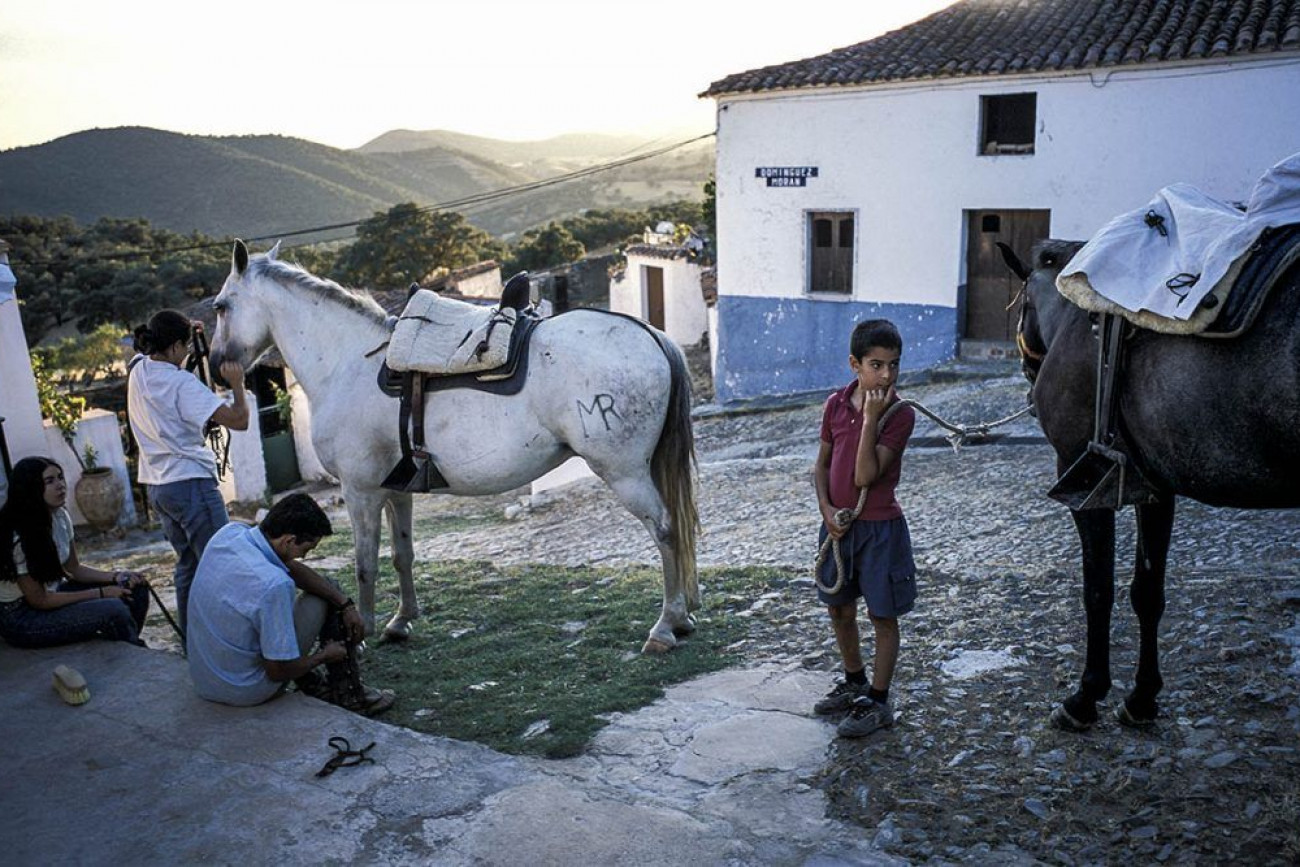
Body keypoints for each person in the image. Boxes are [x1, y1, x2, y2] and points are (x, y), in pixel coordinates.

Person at [186, 493, 395, 715]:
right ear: (288, 540)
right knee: (325, 594)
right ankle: (352, 697)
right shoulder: (274, 585)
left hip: (205, 681)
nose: (304, 556)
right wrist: (324, 655)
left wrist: (346, 604)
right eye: (305, 549)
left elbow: (289, 566)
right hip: (246, 690)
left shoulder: (229, 535)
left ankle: (315, 685)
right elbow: (277, 670)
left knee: (327, 591)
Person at [811, 319, 918, 738]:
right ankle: (854, 679)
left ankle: (877, 698)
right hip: (840, 528)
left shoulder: (899, 414)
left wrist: (872, 417)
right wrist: (825, 512)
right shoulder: (835, 405)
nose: (887, 375)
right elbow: (820, 465)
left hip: (880, 531)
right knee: (839, 608)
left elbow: (863, 476)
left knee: (882, 615)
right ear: (855, 364)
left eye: (894, 365)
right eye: (877, 365)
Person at [127, 309, 249, 636]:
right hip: (190, 482)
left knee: (189, 567)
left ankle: (192, 640)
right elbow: (240, 421)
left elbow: (144, 353)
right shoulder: (181, 383)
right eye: (185, 345)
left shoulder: (138, 371)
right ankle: (232, 638)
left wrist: (184, 332)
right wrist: (238, 384)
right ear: (178, 345)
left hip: (159, 487)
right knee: (221, 561)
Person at [0, 457, 150, 648]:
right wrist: (101, 593)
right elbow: (40, 600)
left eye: (60, 478)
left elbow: (74, 568)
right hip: (23, 617)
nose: (60, 485)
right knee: (114, 609)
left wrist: (117, 576)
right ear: (31, 488)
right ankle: (130, 649)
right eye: (49, 481)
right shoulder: (19, 536)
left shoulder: (60, 516)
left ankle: (124, 644)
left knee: (135, 587)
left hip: (53, 592)